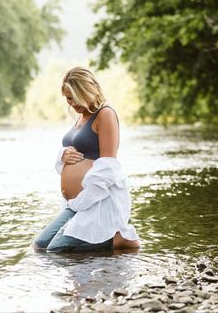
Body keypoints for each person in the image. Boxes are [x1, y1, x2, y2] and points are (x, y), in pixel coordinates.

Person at [33, 67, 140, 252]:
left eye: (74, 97)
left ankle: (119, 240)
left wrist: (83, 200)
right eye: (68, 98)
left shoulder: (105, 114)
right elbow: (74, 156)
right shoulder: (81, 117)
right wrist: (63, 155)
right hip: (75, 204)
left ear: (87, 91)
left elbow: (109, 168)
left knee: (56, 250)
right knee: (41, 245)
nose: (72, 103)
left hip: (98, 201)